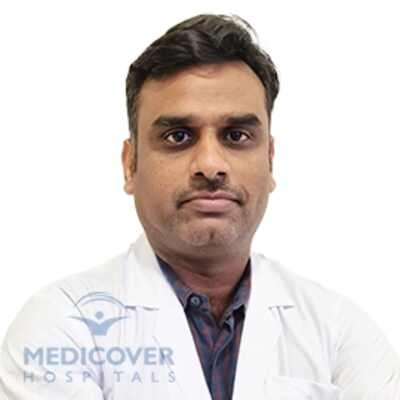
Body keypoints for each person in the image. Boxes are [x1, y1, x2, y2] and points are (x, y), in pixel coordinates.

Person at [1, 13, 399, 400]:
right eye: (178, 136)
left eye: (236, 135)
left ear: (270, 161)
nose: (210, 165)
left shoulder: (341, 331)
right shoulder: (60, 326)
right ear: (130, 164)